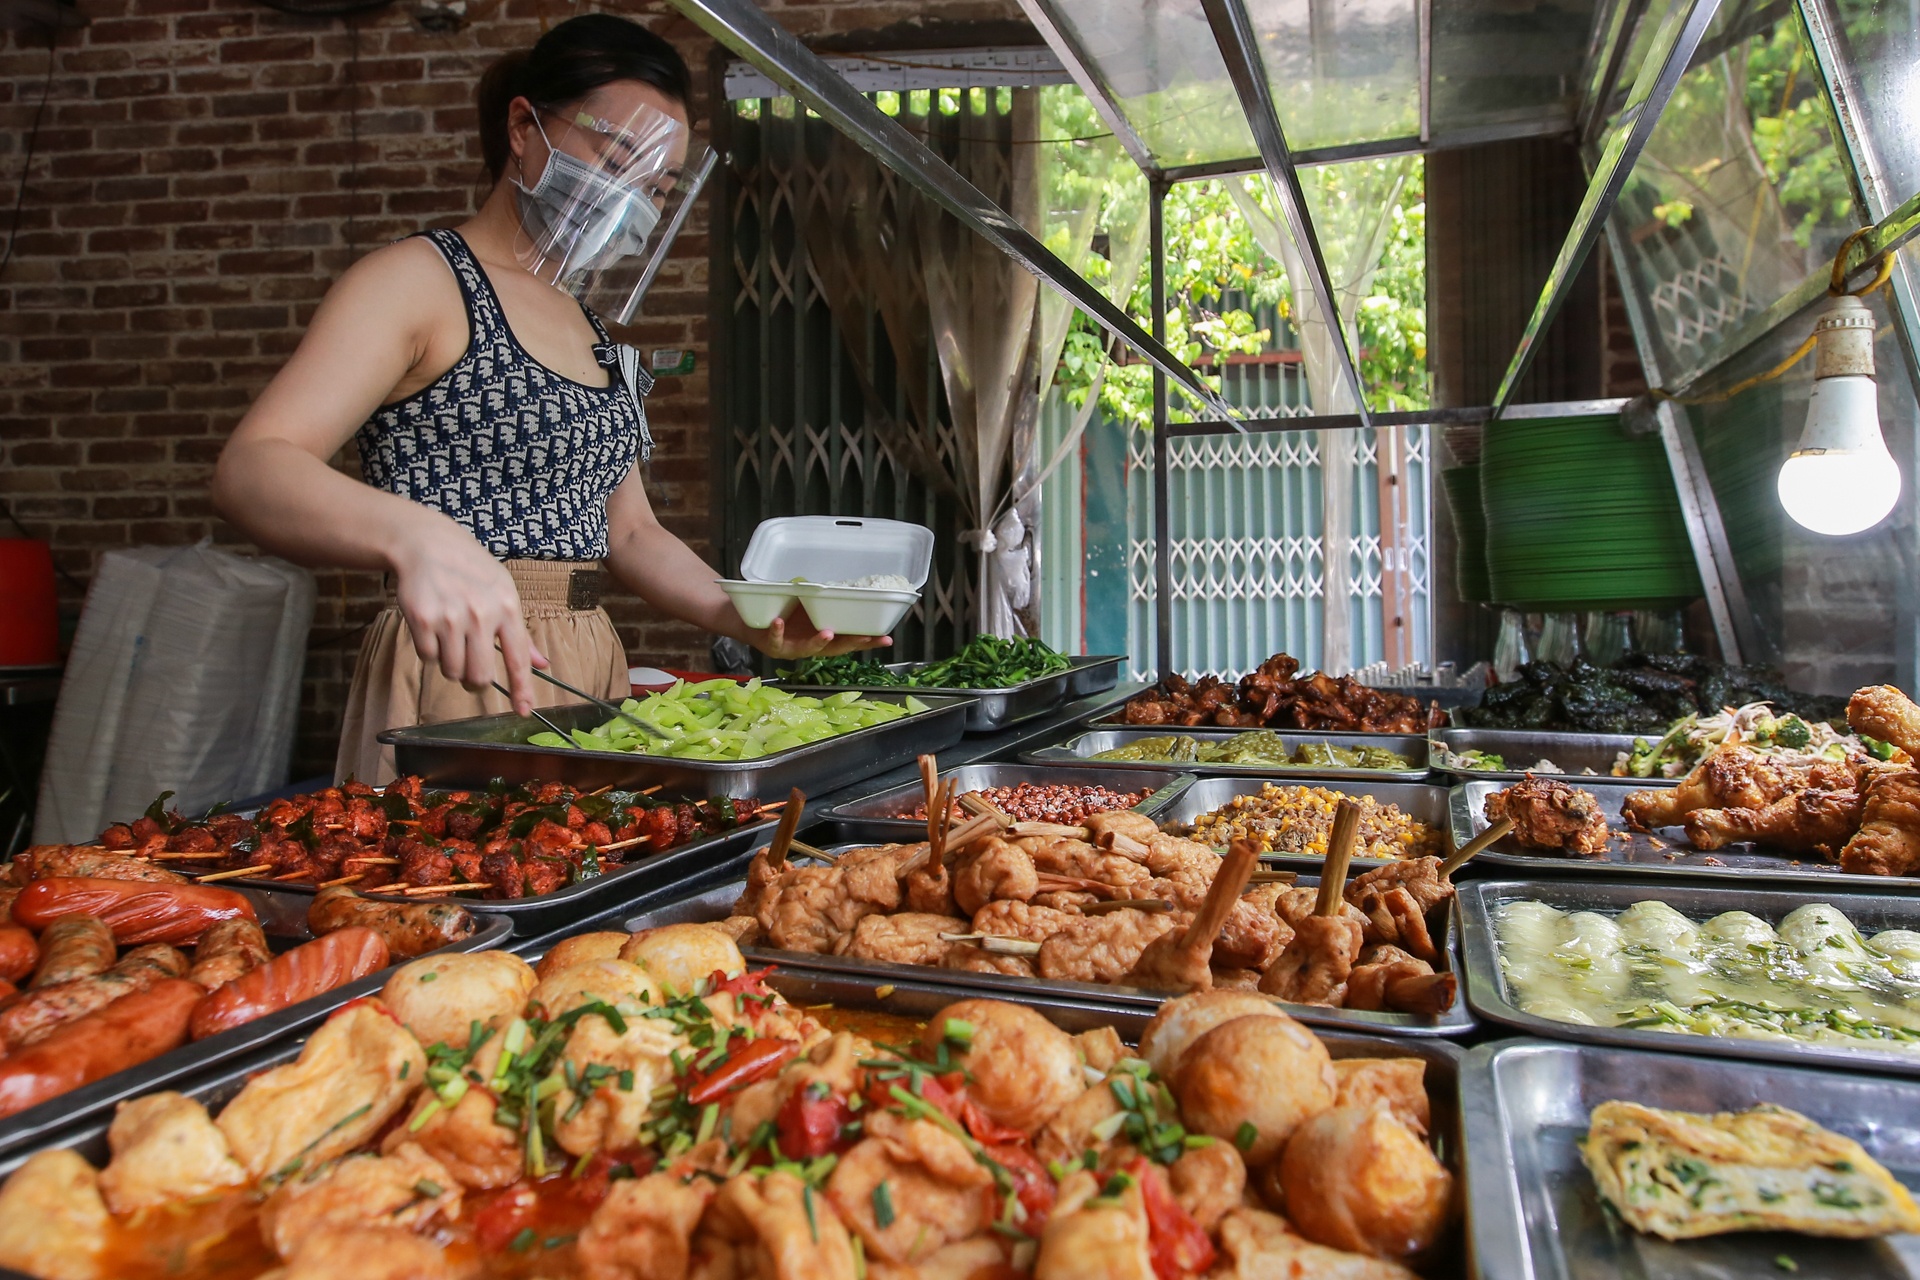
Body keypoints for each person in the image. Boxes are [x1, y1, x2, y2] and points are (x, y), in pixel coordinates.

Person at [213, 14, 884, 783]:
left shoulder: (598, 330)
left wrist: (748, 615)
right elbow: (255, 466)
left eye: (657, 186)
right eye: (616, 158)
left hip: (587, 657)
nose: (633, 197)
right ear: (524, 127)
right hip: (459, 656)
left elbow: (629, 533)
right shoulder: (418, 281)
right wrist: (417, 538)